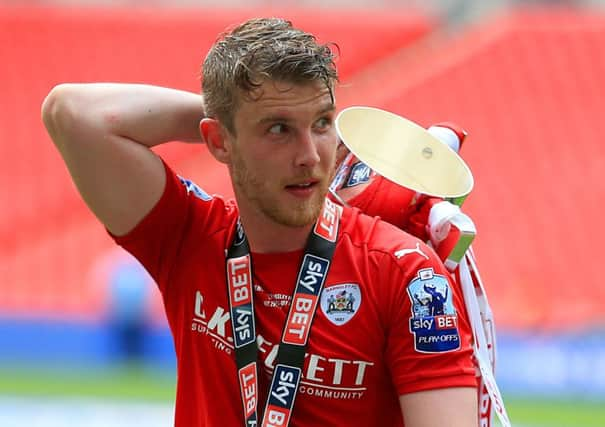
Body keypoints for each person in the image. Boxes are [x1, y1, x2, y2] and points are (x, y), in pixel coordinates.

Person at [42, 17, 478, 426]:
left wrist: (255, 125)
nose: (310, 155)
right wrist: (231, 120)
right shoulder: (189, 237)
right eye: (278, 129)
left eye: (322, 123)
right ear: (218, 141)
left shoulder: (403, 270)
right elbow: (74, 114)